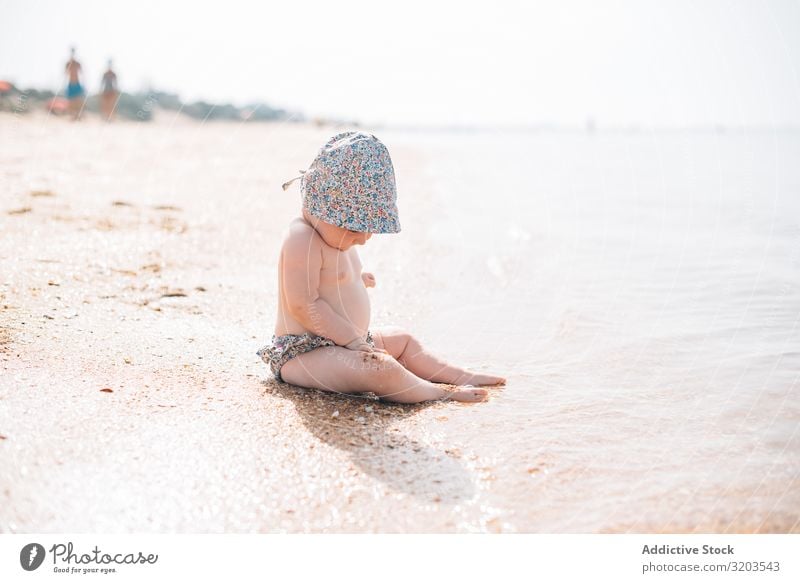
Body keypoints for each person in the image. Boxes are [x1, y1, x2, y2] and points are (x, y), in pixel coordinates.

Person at [257, 132, 506, 403]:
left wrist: (355, 279)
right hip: (305, 353)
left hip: (350, 342)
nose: (363, 239)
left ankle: (457, 374)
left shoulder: (331, 235)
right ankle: (438, 393)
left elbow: (330, 281)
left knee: (403, 339)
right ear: (320, 207)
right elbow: (303, 305)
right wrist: (352, 342)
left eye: (369, 229)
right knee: (379, 368)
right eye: (354, 227)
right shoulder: (301, 239)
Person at [64, 47, 84, 120]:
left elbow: (82, 72)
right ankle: (72, 115)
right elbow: (65, 73)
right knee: (71, 100)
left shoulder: (77, 63)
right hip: (70, 83)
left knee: (78, 100)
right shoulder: (68, 63)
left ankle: (78, 115)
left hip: (77, 83)